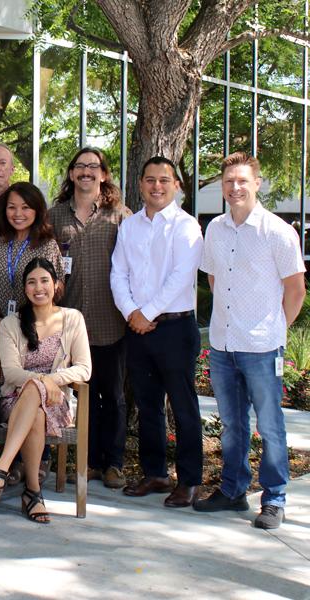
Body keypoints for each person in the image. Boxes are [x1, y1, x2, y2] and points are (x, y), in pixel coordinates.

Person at [193, 152, 306, 529]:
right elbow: (212, 279)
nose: (235, 187)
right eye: (229, 182)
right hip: (223, 344)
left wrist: (276, 328)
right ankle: (233, 491)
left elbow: (295, 289)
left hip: (262, 347)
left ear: (257, 183)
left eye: (242, 180)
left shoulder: (277, 231)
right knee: (231, 424)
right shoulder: (215, 229)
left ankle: (274, 499)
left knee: (271, 426)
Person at [110, 156, 204, 508]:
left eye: (164, 180)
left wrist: (145, 312)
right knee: (148, 405)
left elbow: (181, 276)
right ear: (141, 184)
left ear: (176, 184)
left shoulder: (186, 226)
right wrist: (132, 312)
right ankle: (156, 473)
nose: (156, 186)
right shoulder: (129, 226)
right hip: (138, 329)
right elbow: (118, 272)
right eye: (150, 179)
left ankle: (190, 479)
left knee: (183, 406)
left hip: (175, 328)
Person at [0, 258, 91, 523]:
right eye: (31, 282)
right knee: (34, 405)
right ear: (24, 288)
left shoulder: (73, 318)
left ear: (56, 284)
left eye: (45, 280)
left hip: (57, 403)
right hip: (14, 401)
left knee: (37, 400)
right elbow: (11, 373)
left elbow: (84, 369)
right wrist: (43, 381)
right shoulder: (10, 324)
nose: (39, 287)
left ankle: (0, 471)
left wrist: (52, 381)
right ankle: (33, 493)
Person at [50, 147, 131, 489]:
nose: (86, 172)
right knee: (73, 397)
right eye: (80, 166)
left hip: (109, 320)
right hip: (67, 324)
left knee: (111, 396)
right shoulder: (55, 217)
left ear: (104, 174)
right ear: (71, 174)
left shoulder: (120, 216)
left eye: (93, 167)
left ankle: (111, 463)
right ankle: (83, 461)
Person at [0, 181, 63, 317]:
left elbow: (57, 288)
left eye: (25, 207)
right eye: (12, 207)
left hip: (36, 324)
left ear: (37, 210)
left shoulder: (47, 246)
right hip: (0, 323)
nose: (18, 213)